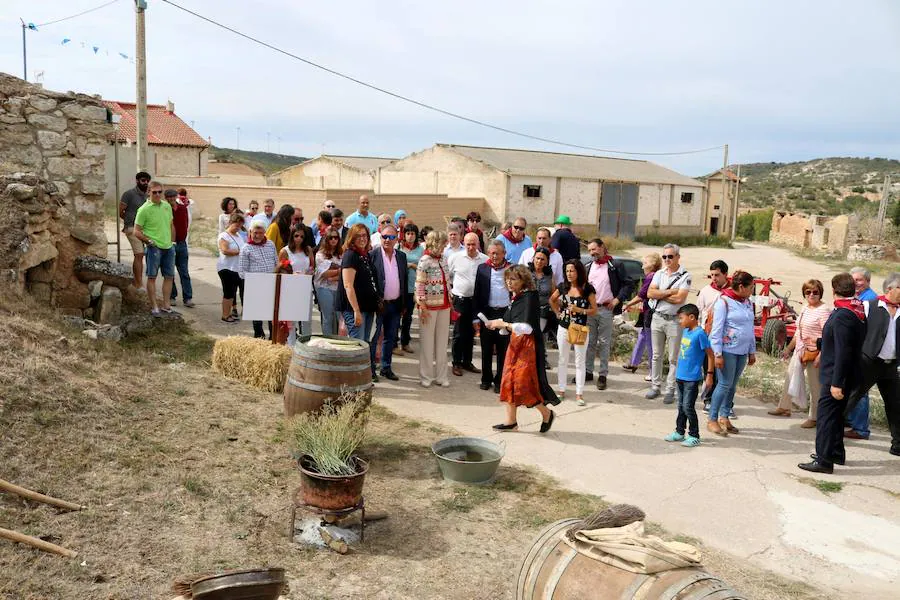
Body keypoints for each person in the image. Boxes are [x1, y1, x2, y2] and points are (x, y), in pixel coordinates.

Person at [798, 273, 867, 474]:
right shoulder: (857, 310)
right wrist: (821, 343)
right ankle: (835, 452)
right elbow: (842, 343)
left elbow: (844, 350)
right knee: (835, 417)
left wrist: (837, 383)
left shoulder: (843, 315)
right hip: (844, 372)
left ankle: (824, 460)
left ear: (834, 290)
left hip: (837, 376)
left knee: (827, 418)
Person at [488, 265, 560, 432]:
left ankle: (547, 413)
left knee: (524, 384)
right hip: (515, 345)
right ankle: (511, 422)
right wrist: (496, 324)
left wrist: (503, 324)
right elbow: (510, 322)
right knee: (509, 381)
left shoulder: (529, 297)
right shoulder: (517, 297)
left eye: (513, 279)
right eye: (507, 279)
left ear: (523, 280)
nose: (509, 282)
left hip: (528, 348)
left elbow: (526, 328)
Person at [849, 272, 900, 456]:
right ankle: (831, 435)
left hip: (891, 366)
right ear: (890, 289)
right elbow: (856, 331)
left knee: (895, 405)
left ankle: (898, 445)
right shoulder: (869, 306)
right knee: (851, 398)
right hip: (869, 362)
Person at [771, 279, 832, 424]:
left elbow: (827, 335)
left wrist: (821, 354)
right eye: (808, 292)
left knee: (815, 385)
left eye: (815, 292)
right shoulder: (805, 308)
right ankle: (784, 407)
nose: (811, 295)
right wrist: (788, 348)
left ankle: (815, 417)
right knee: (790, 377)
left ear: (820, 293)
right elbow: (799, 331)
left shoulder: (824, 310)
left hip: (814, 352)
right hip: (800, 349)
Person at [707, 270, 757, 436]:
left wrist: (751, 351)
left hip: (742, 351)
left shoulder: (748, 303)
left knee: (732, 386)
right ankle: (712, 419)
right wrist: (718, 354)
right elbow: (717, 329)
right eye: (751, 287)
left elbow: (750, 328)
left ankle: (725, 416)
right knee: (723, 384)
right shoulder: (724, 302)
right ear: (741, 287)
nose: (752, 290)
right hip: (727, 351)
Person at [584, 238, 634, 390]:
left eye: (594, 249)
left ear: (602, 247)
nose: (592, 253)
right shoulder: (588, 266)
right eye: (590, 250)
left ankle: (603, 375)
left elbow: (628, 284)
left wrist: (617, 300)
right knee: (590, 342)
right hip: (590, 310)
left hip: (606, 310)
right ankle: (587, 372)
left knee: (604, 343)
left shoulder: (615, 265)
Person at [646, 243, 692, 403]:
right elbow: (649, 292)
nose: (667, 259)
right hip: (657, 317)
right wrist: (670, 292)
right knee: (656, 355)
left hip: (674, 321)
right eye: (664, 256)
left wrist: (659, 294)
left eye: (670, 256)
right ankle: (655, 386)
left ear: (678, 257)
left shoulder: (685, 276)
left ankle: (670, 390)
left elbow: (680, 299)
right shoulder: (659, 273)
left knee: (674, 358)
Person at [664, 304, 714, 448]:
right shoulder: (686, 331)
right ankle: (679, 432)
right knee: (681, 406)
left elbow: (710, 355)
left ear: (692, 317)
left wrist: (709, 375)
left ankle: (694, 435)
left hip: (692, 378)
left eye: (681, 318)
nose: (680, 321)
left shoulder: (700, 334)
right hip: (680, 376)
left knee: (688, 407)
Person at [551, 259, 597, 406]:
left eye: (572, 271)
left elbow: (594, 310)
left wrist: (580, 310)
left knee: (579, 362)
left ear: (579, 272)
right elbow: (552, 299)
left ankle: (579, 393)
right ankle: (561, 390)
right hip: (564, 328)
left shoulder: (587, 288)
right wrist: (557, 313)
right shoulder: (563, 287)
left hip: (579, 328)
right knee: (562, 359)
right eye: (567, 271)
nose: (569, 274)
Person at [369, 224, 407, 382]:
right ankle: (371, 370)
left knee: (390, 337)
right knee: (374, 337)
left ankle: (386, 367)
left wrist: (404, 304)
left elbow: (403, 280)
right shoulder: (373, 255)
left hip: (395, 304)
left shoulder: (401, 256)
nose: (387, 240)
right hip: (378, 304)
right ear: (380, 237)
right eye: (384, 237)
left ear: (396, 239)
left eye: (391, 237)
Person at [473, 240, 512, 392]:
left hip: (504, 313)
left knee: (503, 349)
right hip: (487, 313)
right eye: (492, 253)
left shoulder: (511, 268)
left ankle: (499, 380)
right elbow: (476, 294)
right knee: (486, 348)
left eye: (498, 253)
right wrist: (476, 318)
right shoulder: (482, 268)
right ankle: (486, 378)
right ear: (488, 253)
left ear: (504, 254)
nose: (495, 256)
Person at [415, 230, 452, 388]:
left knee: (442, 343)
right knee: (427, 343)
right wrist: (422, 306)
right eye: (443, 243)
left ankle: (441, 376)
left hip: (444, 305)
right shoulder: (425, 260)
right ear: (436, 243)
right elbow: (420, 285)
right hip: (428, 307)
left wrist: (451, 299)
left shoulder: (443, 259)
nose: (445, 246)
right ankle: (426, 376)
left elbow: (447, 281)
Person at [845, 266, 879, 439]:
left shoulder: (870, 300)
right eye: (853, 280)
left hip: (863, 351)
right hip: (856, 349)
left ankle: (860, 428)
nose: (855, 283)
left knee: (860, 389)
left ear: (867, 281)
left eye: (859, 280)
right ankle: (851, 421)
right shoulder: (858, 297)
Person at [133, 181, 175, 316]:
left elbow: (170, 224)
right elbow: (136, 231)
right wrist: (149, 241)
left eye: (159, 192)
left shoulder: (167, 206)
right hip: (154, 248)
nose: (157, 195)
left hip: (168, 247)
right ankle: (154, 306)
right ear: (148, 192)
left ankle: (166, 305)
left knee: (169, 276)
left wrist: (173, 242)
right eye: (154, 192)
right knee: (152, 277)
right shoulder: (143, 209)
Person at [448, 232, 488, 376]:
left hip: (476, 301)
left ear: (478, 244)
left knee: (471, 333)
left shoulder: (485, 260)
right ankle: (456, 363)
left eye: (473, 244)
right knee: (459, 333)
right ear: (464, 244)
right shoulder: (455, 258)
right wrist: (450, 292)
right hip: (460, 300)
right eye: (468, 244)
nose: (471, 247)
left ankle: (467, 362)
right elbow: (447, 275)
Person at [337, 224, 380, 346]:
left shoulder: (365, 255)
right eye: (358, 236)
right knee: (357, 344)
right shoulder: (350, 255)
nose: (362, 239)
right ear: (352, 238)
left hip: (367, 307)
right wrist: (356, 311)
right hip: (354, 309)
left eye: (364, 235)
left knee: (365, 344)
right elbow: (348, 285)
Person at [695, 260, 729, 412]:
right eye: (712, 275)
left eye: (717, 275)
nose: (714, 278)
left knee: (726, 371)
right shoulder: (705, 291)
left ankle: (726, 404)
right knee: (709, 370)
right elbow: (698, 312)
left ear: (725, 275)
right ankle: (708, 399)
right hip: (707, 335)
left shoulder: (731, 293)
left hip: (727, 338)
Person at [622, 253, 662, 377]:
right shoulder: (654, 276)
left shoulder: (651, 277)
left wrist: (628, 304)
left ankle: (653, 372)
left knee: (650, 343)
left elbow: (641, 295)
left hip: (650, 313)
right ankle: (634, 362)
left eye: (644, 264)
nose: (642, 267)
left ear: (651, 265)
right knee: (642, 337)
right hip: (647, 311)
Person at [239, 221, 279, 339]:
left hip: (271, 283)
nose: (258, 235)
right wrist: (254, 282)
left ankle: (273, 336)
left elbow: (276, 262)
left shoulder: (270, 244)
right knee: (257, 313)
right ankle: (259, 336)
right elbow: (242, 271)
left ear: (264, 233)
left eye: (261, 233)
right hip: (255, 286)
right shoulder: (246, 248)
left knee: (272, 311)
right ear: (250, 232)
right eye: (255, 233)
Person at [280, 224, 316, 341]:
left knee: (306, 319)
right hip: (290, 288)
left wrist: (309, 273)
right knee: (291, 320)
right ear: (292, 236)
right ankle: (291, 346)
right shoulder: (285, 251)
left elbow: (312, 267)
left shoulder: (308, 250)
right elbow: (280, 270)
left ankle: (306, 344)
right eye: (296, 236)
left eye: (302, 236)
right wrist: (292, 275)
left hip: (306, 287)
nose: (299, 239)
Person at [119, 171, 150, 287]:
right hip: (131, 228)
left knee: (140, 255)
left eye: (147, 181)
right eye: (143, 180)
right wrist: (129, 221)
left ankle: (136, 281)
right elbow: (121, 211)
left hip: (144, 229)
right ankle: (139, 284)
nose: (145, 183)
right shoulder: (128, 194)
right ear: (137, 181)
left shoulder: (148, 196)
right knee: (139, 254)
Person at [165, 189, 194, 308]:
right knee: (169, 272)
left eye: (173, 196)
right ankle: (172, 296)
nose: (171, 199)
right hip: (168, 244)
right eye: (169, 197)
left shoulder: (183, 209)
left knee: (184, 272)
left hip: (181, 244)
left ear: (176, 197)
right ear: (166, 198)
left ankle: (188, 298)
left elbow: (186, 224)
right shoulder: (164, 210)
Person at [399, 223, 424, 353]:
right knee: (397, 316)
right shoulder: (399, 247)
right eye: (408, 233)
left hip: (412, 287)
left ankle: (405, 342)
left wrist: (413, 266)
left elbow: (423, 265)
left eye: (412, 233)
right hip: (399, 287)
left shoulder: (421, 249)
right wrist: (407, 264)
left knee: (408, 316)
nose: (410, 236)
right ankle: (393, 343)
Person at [314, 226, 343, 336]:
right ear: (326, 239)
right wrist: (339, 271)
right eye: (331, 238)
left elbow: (345, 274)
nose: (333, 240)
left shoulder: (341, 255)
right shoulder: (320, 255)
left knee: (338, 316)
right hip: (324, 288)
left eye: (336, 238)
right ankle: (328, 340)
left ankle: (337, 339)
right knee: (328, 316)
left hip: (338, 287)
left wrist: (334, 275)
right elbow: (324, 274)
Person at [217, 213, 245, 323]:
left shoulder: (238, 236)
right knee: (228, 293)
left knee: (232, 292)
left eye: (240, 225)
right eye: (236, 225)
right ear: (230, 223)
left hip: (236, 268)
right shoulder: (224, 236)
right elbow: (225, 250)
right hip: (226, 268)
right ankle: (225, 315)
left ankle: (229, 314)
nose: (238, 227)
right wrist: (240, 252)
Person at [528, 247, 555, 349]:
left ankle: (542, 360)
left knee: (540, 337)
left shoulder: (550, 275)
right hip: (527, 311)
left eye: (542, 259)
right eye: (537, 258)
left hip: (543, 311)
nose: (539, 261)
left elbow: (553, 294)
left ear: (547, 261)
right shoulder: (525, 272)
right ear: (533, 258)